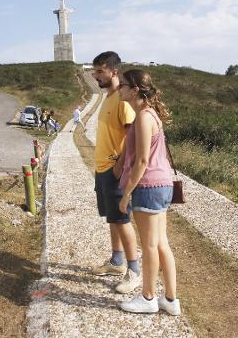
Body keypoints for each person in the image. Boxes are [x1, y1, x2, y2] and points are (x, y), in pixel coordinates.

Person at [116, 68, 180, 315]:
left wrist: (126, 194)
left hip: (148, 186)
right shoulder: (151, 115)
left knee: (150, 246)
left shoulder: (143, 117)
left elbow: (142, 161)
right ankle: (171, 300)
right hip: (161, 185)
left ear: (134, 90)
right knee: (162, 243)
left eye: (122, 85)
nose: (118, 88)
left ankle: (148, 297)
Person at [91, 51, 141, 294]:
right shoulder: (109, 97)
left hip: (114, 171)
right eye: (94, 71)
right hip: (102, 169)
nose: (95, 76)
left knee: (122, 219)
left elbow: (133, 135)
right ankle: (116, 262)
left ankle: (134, 272)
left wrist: (120, 165)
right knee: (112, 218)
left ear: (113, 71)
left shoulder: (122, 99)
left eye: (99, 71)